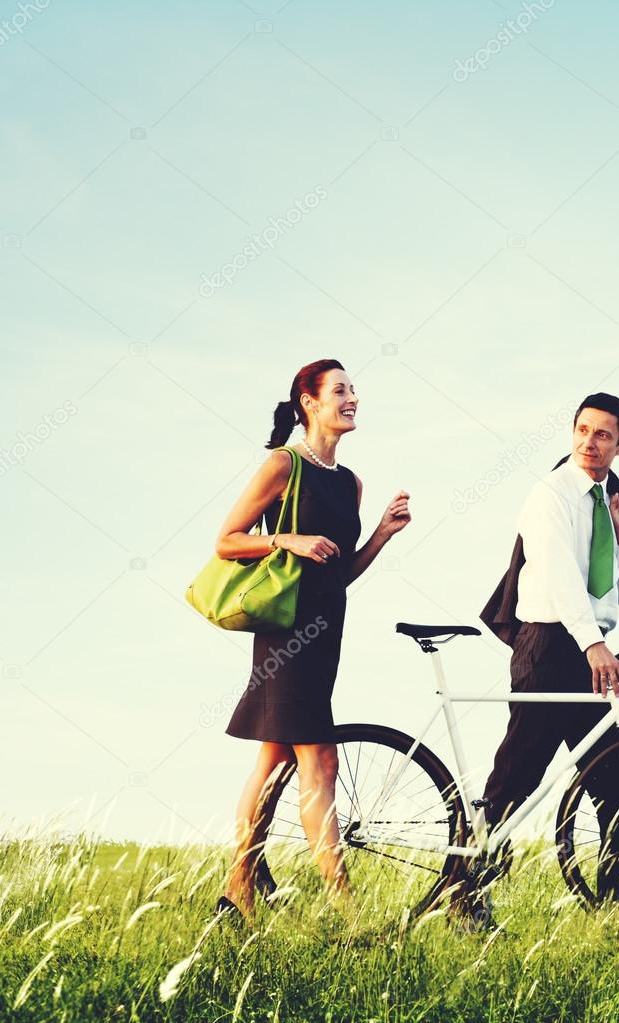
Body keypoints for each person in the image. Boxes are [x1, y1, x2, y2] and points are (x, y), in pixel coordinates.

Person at [213, 358, 411, 925]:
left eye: (354, 391)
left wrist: (379, 534)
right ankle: (346, 910)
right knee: (319, 759)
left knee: (275, 761)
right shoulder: (284, 465)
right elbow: (226, 541)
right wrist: (288, 540)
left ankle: (237, 891)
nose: (352, 399)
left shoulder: (350, 482)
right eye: (341, 391)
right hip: (285, 637)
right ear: (310, 401)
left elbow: (340, 573)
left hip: (326, 634)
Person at [470, 392, 619, 921]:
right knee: (517, 777)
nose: (590, 443)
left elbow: (618, 591)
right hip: (548, 645)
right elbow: (558, 575)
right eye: (583, 430)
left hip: (587, 646)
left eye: (603, 435)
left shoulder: (604, 500)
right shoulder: (551, 492)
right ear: (572, 432)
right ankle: (465, 892)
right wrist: (594, 645)